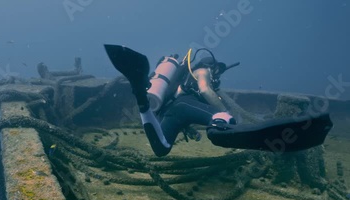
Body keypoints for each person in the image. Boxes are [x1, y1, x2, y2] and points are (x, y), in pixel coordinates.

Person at [104, 44, 333, 156]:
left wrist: (190, 126)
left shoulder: (182, 79)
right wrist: (225, 112)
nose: (217, 74)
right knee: (221, 119)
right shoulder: (203, 69)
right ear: (211, 66)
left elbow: (184, 109)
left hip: (171, 110)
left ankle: (140, 98)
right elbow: (205, 91)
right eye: (218, 70)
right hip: (182, 106)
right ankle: (221, 129)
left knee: (162, 148)